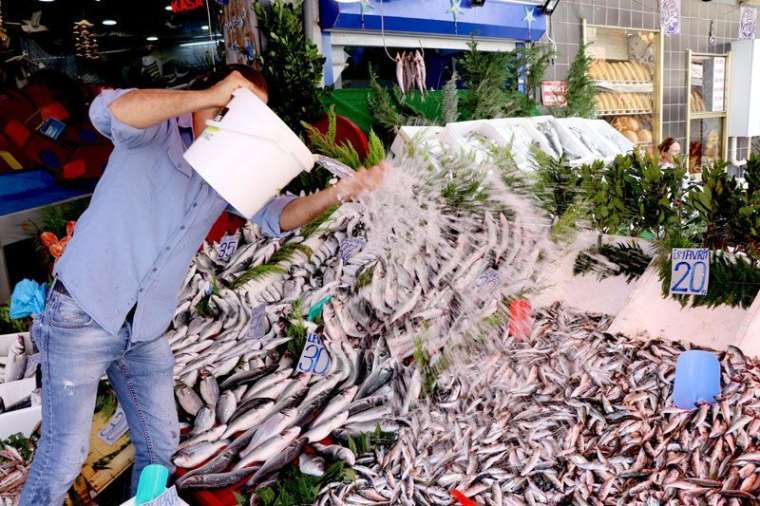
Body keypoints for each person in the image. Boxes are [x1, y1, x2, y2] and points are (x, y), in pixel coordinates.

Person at [19, 64, 388, 505]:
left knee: (160, 448)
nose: (233, 121)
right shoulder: (153, 131)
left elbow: (275, 217)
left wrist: (341, 192)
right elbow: (109, 110)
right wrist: (205, 98)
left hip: (144, 329)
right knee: (66, 453)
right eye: (229, 108)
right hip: (83, 311)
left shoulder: (228, 167)